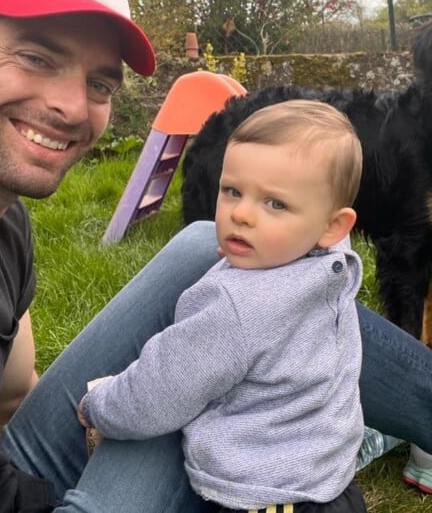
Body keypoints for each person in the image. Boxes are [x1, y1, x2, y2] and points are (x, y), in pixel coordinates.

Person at [0, 0, 432, 511]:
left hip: (9, 464)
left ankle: (393, 414)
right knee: (200, 365)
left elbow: (11, 404)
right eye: (34, 57)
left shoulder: (5, 225)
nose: (73, 106)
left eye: (100, 82)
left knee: (211, 253)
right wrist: (132, 406)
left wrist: (115, 406)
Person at [77, 100, 367, 512]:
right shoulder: (332, 259)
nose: (242, 214)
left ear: (331, 225)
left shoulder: (233, 309)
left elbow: (159, 391)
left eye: (275, 204)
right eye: (233, 191)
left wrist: (98, 406)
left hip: (260, 495)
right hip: (331, 479)